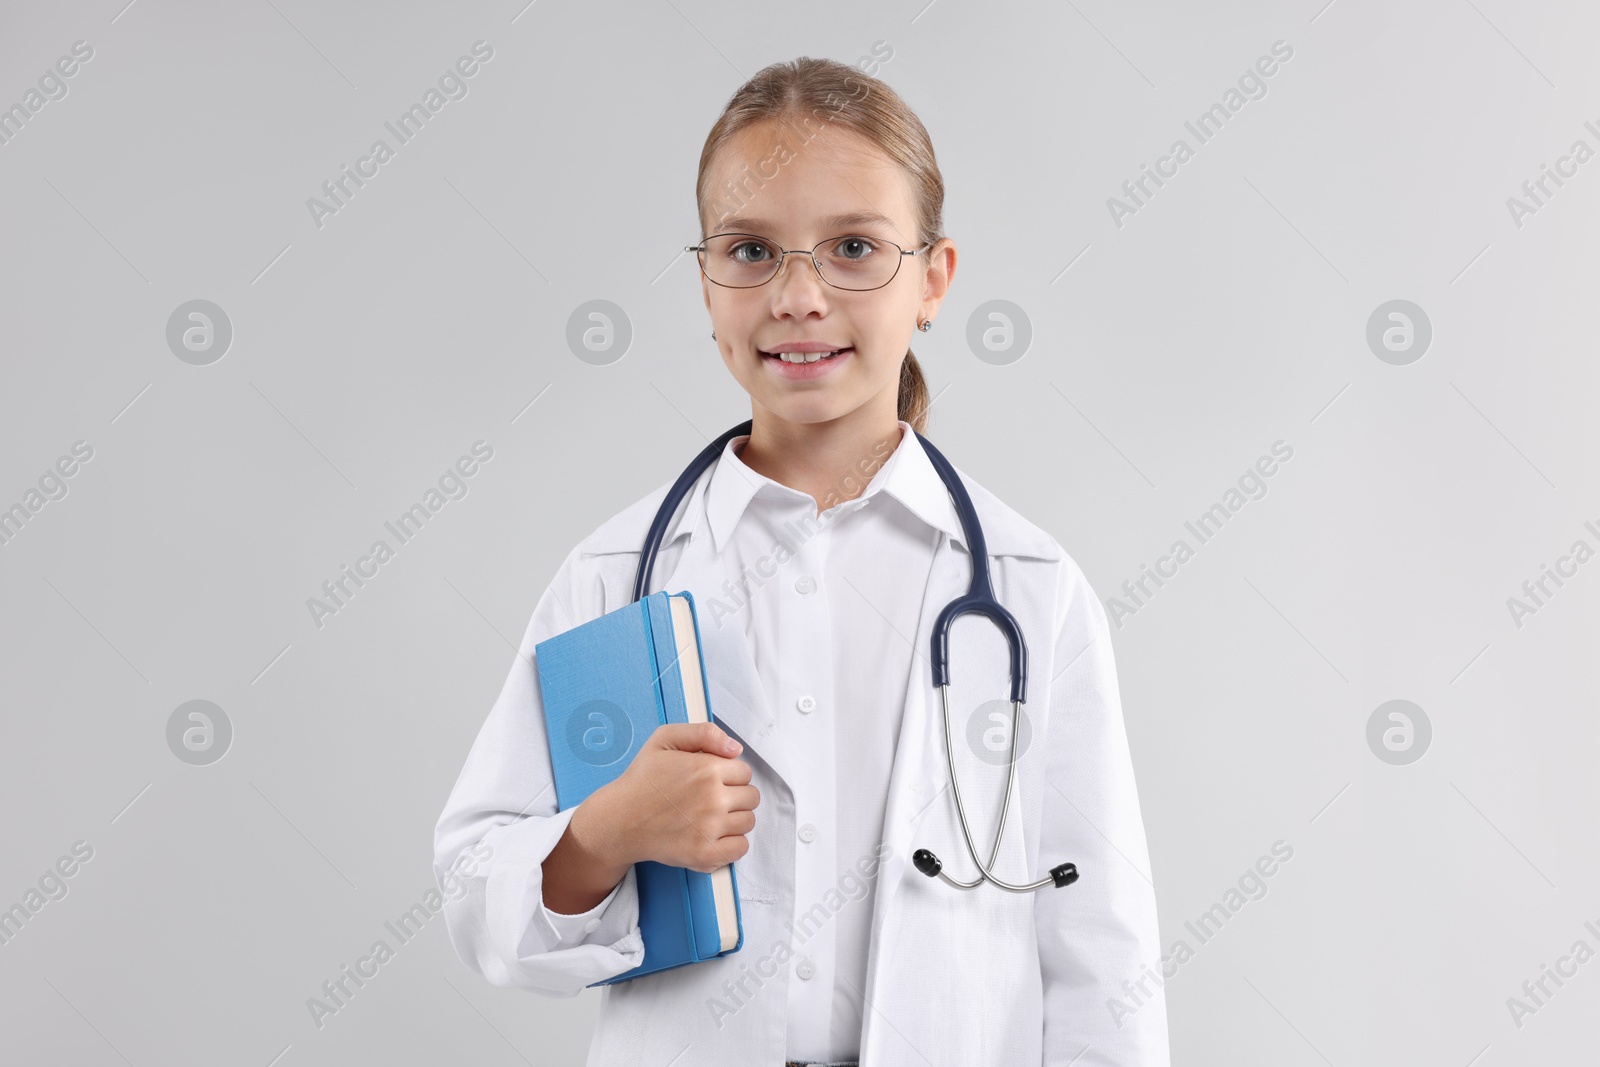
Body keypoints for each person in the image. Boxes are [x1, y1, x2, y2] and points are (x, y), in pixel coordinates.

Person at [433, 56, 1169, 1067]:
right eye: (750, 250)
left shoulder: (1032, 594)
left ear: (933, 281)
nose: (799, 296)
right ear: (704, 282)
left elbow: (1101, 954)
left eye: (854, 247)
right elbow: (477, 895)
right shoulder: (612, 578)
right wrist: (604, 831)